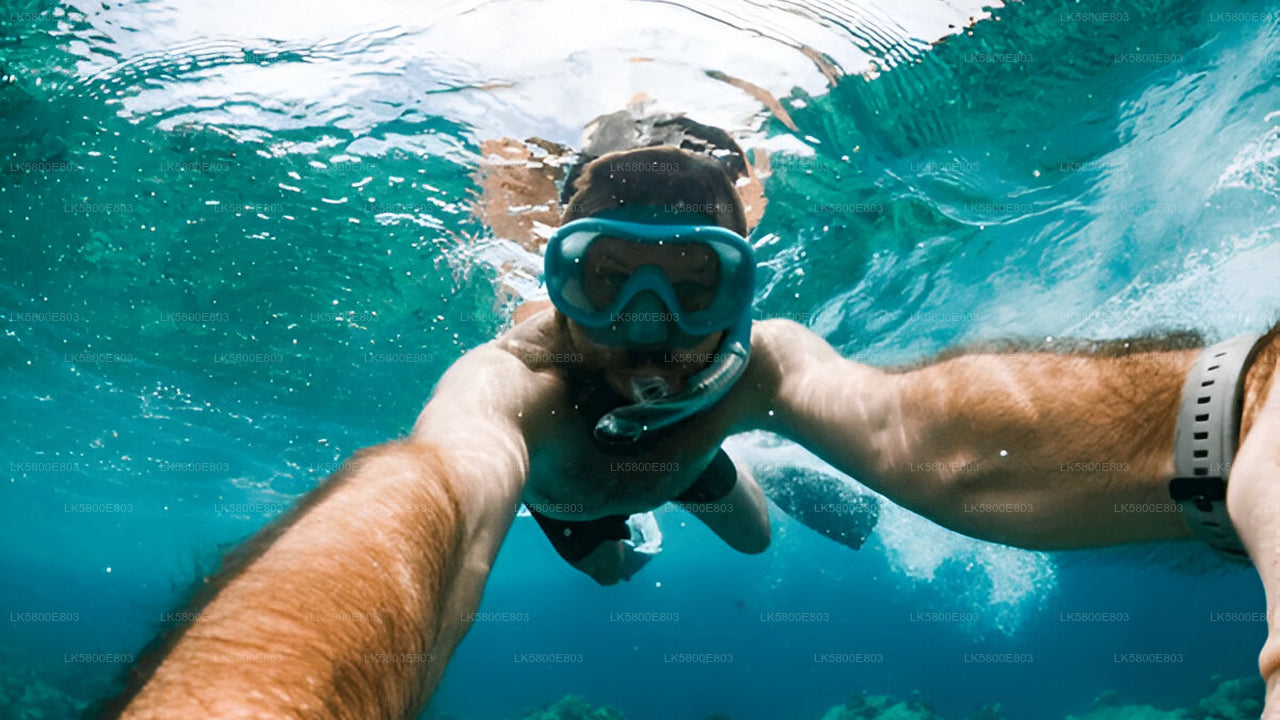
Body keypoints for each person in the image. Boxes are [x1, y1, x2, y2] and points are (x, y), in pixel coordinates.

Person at [95, 110, 1280, 720]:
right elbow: (430, 498)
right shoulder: (508, 379)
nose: (651, 326)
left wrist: (1254, 405)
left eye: (692, 281)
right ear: (552, 281)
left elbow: (933, 437)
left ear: (743, 279)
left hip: (698, 455)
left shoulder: (761, 353)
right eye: (606, 280)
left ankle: (755, 468)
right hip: (576, 497)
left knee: (759, 529)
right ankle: (688, 497)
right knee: (615, 566)